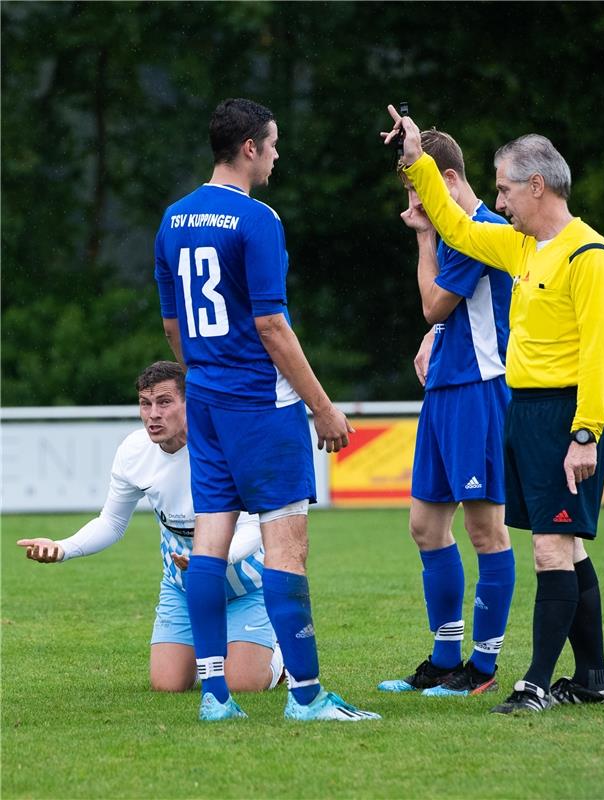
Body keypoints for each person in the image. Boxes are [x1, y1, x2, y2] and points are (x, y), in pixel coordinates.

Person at [383, 107, 604, 713]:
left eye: (506, 188)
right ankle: (593, 677)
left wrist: (587, 432)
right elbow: (459, 232)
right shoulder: (522, 247)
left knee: (549, 549)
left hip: (563, 417)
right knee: (570, 548)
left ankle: (533, 683)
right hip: (524, 412)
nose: (501, 200)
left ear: (537, 185)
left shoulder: (588, 256)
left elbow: (598, 356)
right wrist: (416, 160)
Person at [154, 98, 379, 722]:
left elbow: (173, 325)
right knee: (286, 548)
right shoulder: (257, 219)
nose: (278, 155)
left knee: (210, 540)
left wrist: (204, 373)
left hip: (208, 403)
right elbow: (273, 324)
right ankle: (306, 697)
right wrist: (324, 408)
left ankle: (214, 698)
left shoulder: (173, 220)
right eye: (273, 144)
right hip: (262, 405)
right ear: (249, 147)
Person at [17, 361, 283, 694]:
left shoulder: (226, 447)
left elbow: (257, 524)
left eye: (165, 402)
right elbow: (112, 522)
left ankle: (277, 654)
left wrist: (215, 558)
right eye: (146, 403)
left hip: (246, 585)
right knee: (167, 685)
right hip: (182, 587)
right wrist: (63, 547)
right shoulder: (133, 451)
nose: (153, 414)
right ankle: (219, 650)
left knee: (243, 686)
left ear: (191, 403)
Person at [377, 130, 516, 698]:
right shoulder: (458, 230)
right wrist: (434, 335)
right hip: (444, 390)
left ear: (449, 181)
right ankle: (443, 657)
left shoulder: (481, 231)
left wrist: (425, 235)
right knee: (425, 526)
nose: (414, 207)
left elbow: (435, 299)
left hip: (478, 392)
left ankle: (481, 669)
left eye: (422, 193)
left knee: (486, 530)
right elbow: (444, 315)